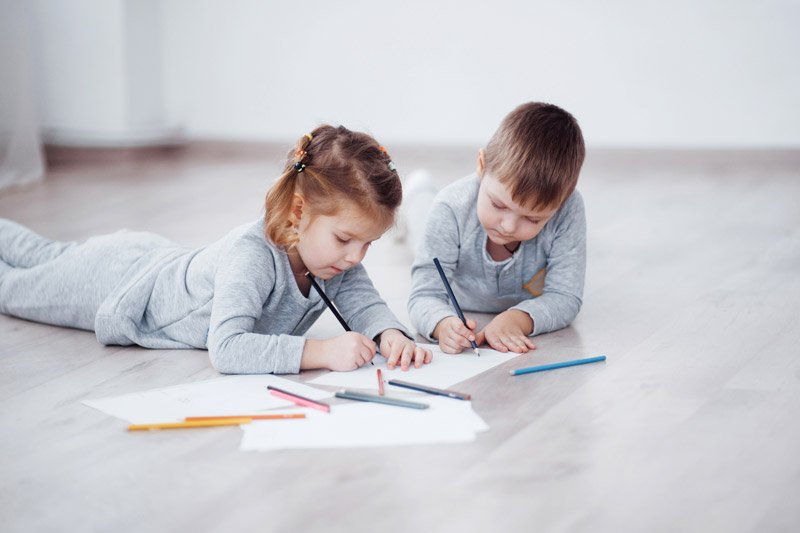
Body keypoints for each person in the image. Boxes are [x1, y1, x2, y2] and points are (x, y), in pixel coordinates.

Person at [0, 125, 432, 373]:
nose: (356, 257)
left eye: (368, 244)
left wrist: (389, 335)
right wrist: (318, 352)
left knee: (42, 252)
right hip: (118, 283)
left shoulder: (336, 262)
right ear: (298, 212)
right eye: (345, 239)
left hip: (150, 256)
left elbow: (365, 304)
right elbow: (226, 348)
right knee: (12, 287)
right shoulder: (254, 256)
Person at [407, 102, 586, 354]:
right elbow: (424, 294)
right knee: (418, 232)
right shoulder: (450, 209)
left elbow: (565, 296)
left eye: (532, 219)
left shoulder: (568, 209)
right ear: (481, 165)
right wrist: (441, 323)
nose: (509, 226)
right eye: (498, 204)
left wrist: (515, 320)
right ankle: (419, 187)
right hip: (443, 223)